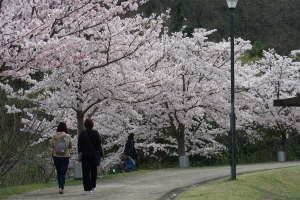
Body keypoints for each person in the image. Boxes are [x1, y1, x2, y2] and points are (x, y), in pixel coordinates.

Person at [78, 118, 103, 195]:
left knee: (86, 172)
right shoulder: (95, 133)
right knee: (93, 170)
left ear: (85, 125)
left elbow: (80, 145)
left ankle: (87, 189)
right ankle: (93, 186)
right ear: (92, 124)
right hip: (93, 155)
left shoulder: (83, 133)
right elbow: (99, 142)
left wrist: (81, 151)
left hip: (85, 155)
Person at [51, 122, 73, 194]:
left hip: (56, 156)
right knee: (63, 173)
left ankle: (59, 186)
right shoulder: (68, 136)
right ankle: (61, 187)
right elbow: (70, 146)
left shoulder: (54, 136)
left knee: (59, 172)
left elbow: (53, 146)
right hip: (65, 156)